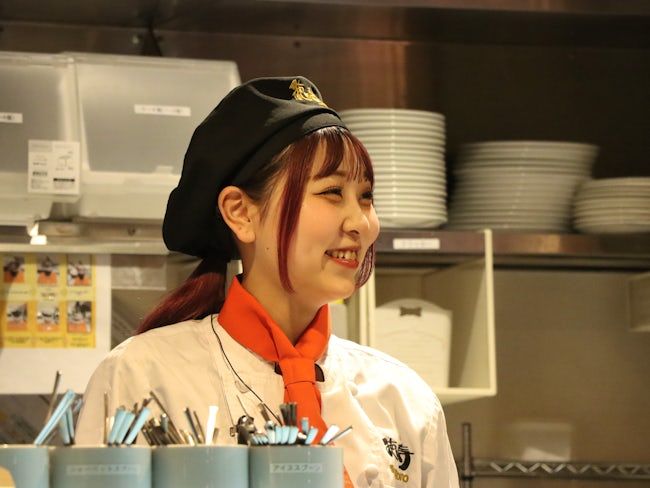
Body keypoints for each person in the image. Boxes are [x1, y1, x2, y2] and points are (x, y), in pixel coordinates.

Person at [75, 76, 459, 487]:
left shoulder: (402, 397)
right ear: (241, 213)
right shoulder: (143, 377)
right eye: (332, 192)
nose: (361, 223)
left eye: (365, 196)